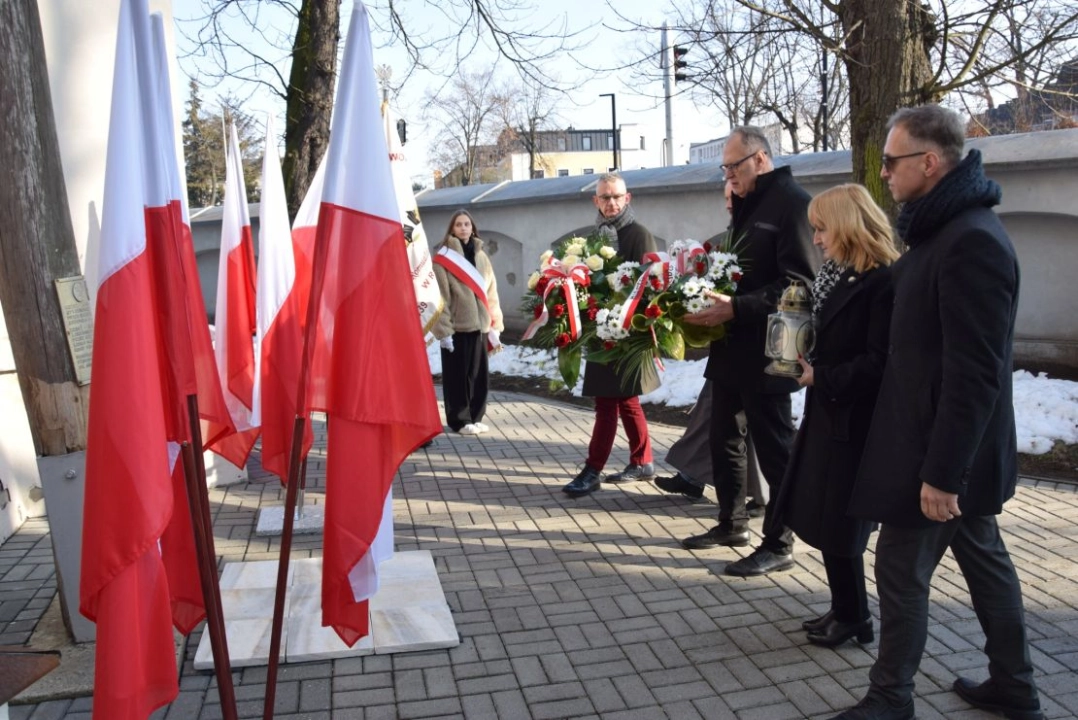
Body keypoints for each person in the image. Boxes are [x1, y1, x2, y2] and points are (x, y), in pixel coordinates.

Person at [832, 105, 1043, 720]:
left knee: (899, 568)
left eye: (892, 162)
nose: (885, 174)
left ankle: (890, 699)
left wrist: (943, 473)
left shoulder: (970, 240)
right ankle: (1016, 686)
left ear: (929, 162)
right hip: (942, 446)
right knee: (985, 562)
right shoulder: (941, 230)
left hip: (941, 454)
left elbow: (976, 374)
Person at [678, 126, 818, 579]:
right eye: (725, 168)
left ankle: (780, 543)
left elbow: (800, 286)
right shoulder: (745, 203)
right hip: (732, 346)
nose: (728, 176)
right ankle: (731, 524)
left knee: (776, 449)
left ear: (760, 159)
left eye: (733, 167)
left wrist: (735, 307)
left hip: (771, 350)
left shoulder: (793, 204)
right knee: (724, 440)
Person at [774, 184, 897, 649]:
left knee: (841, 524)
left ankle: (855, 618)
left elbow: (880, 362)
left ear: (846, 225)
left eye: (822, 229)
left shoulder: (881, 280)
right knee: (826, 519)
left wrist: (821, 377)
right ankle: (845, 609)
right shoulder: (837, 274)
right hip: (828, 413)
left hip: (854, 420)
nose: (818, 240)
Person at [657, 179, 766, 514]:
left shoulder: (759, 232)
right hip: (732, 342)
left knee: (750, 421)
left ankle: (764, 496)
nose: (729, 203)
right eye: (725, 198)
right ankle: (695, 477)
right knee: (718, 413)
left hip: (756, 343)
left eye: (733, 196)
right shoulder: (738, 231)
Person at [564, 172, 660, 497]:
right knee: (626, 401)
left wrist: (625, 321)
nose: (611, 202)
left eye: (616, 196)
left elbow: (648, 287)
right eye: (605, 197)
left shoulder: (639, 235)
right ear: (596, 201)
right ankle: (643, 460)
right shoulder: (593, 239)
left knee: (607, 404)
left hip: (626, 335)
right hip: (600, 330)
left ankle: (593, 470)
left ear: (627, 198)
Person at [432, 209, 504, 435]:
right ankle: (459, 420)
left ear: (472, 227)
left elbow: (491, 292)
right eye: (459, 225)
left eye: (467, 224)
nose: (464, 228)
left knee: (478, 374)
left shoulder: (482, 256)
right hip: (456, 328)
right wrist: (443, 331)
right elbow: (440, 298)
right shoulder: (443, 258)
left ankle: (476, 415)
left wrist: (495, 324)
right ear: (452, 229)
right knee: (457, 377)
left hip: (480, 326)